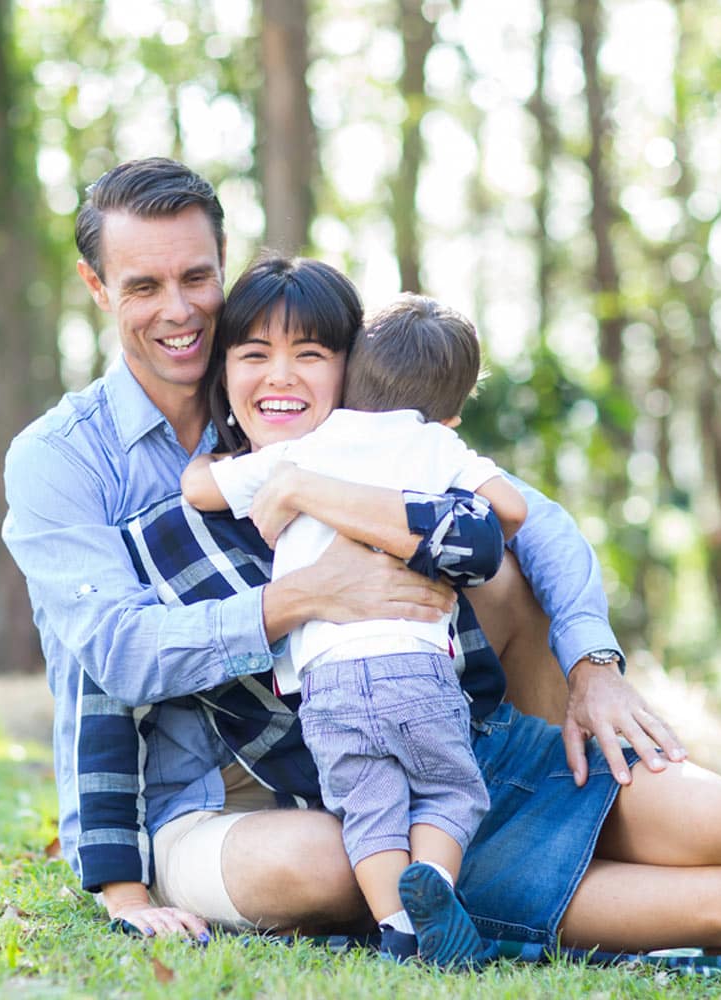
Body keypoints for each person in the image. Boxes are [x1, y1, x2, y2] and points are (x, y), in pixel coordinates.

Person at [4, 158, 721, 964]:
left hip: (426, 725)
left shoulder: (330, 399)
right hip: (223, 784)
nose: (180, 309)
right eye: (144, 285)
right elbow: (108, 666)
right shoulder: (72, 464)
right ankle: (448, 899)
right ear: (96, 286)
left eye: (197, 278)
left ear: (224, 268)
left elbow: (533, 524)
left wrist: (594, 665)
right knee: (337, 861)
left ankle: (541, 806)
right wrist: (304, 598)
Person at [180, 264, 528, 961]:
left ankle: (398, 930)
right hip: (419, 672)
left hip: (328, 684)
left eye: (309, 355)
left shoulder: (305, 446)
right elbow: (511, 512)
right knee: (451, 795)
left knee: (368, 810)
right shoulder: (434, 443)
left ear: (351, 370)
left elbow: (200, 488)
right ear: (451, 412)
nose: (283, 376)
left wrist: (232, 466)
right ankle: (433, 885)